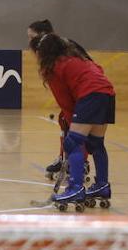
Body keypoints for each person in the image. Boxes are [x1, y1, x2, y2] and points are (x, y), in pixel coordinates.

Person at [33, 32, 116, 208]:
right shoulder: (78, 59)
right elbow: (98, 71)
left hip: (90, 95)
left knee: (73, 143)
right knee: (96, 143)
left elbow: (65, 101)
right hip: (107, 94)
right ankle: (102, 185)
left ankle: (76, 188)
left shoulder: (55, 66)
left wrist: (71, 124)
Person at [27, 20, 92, 178]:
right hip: (78, 88)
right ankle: (65, 158)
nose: (30, 42)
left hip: (85, 89)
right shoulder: (55, 51)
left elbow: (83, 67)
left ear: (43, 37)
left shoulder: (62, 48)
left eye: (31, 37)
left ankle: (80, 161)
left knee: (75, 126)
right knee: (64, 120)